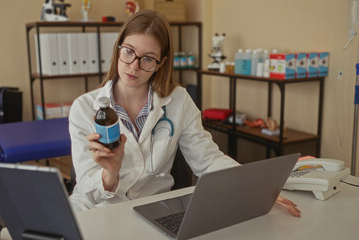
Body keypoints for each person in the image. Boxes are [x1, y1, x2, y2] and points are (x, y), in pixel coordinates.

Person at [68, 9, 300, 217]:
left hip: (153, 211)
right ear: (118, 47)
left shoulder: (178, 101)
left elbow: (208, 160)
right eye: (128, 51)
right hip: (99, 213)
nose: (134, 66)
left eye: (148, 58)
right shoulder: (84, 108)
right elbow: (87, 189)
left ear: (161, 63)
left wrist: (255, 188)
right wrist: (110, 174)